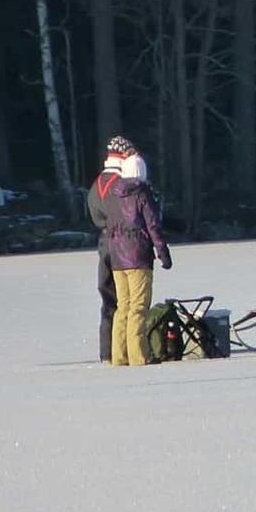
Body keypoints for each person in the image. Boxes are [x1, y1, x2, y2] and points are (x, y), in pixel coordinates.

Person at [103, 152, 172, 366]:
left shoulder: (113, 195)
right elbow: (153, 226)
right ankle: (139, 356)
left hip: (116, 258)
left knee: (123, 306)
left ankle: (119, 355)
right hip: (138, 257)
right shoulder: (142, 194)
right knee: (138, 307)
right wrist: (163, 253)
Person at [86, 135, 136, 362]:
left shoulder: (96, 184)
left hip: (103, 244)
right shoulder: (122, 185)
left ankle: (107, 352)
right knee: (128, 301)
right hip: (122, 246)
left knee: (108, 300)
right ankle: (127, 351)